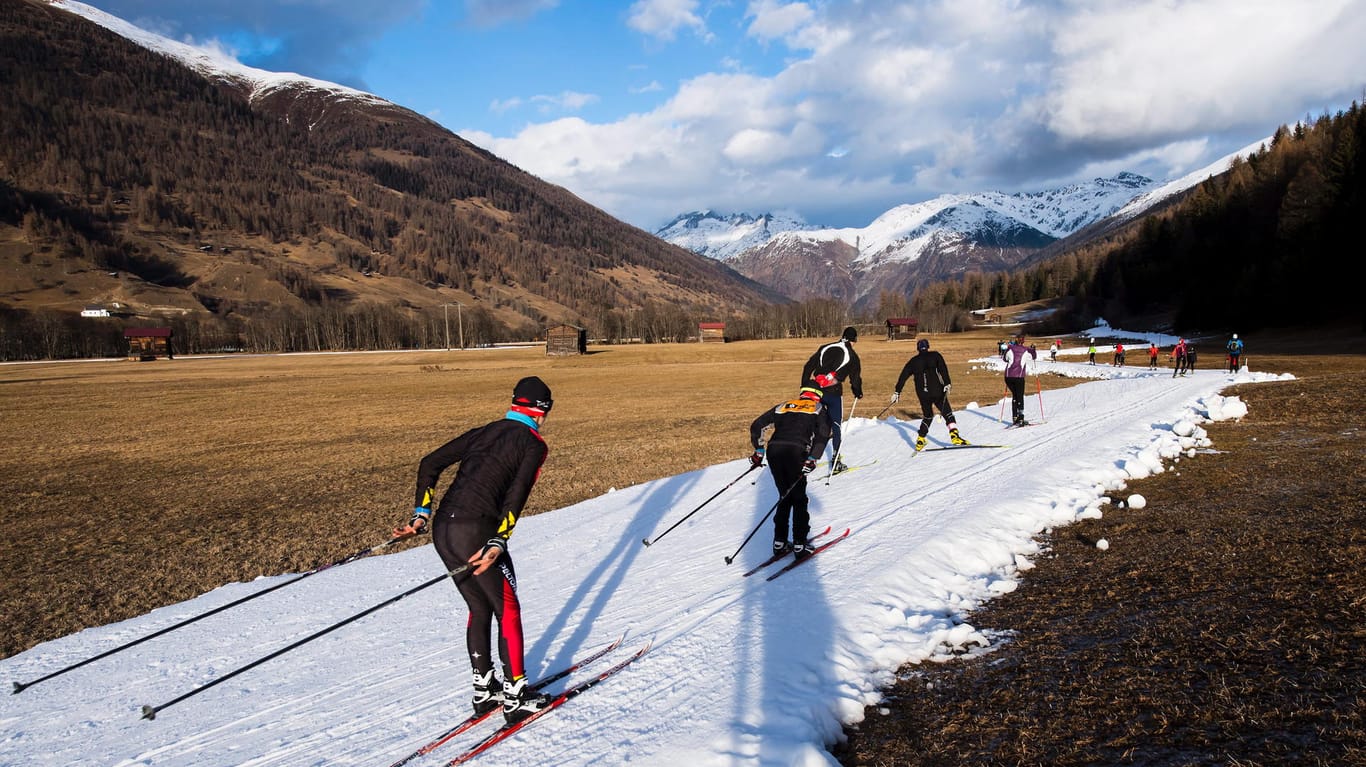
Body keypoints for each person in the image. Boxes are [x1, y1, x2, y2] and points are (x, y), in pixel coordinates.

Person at [393, 376, 555, 724]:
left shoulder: (484, 431)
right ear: (543, 411)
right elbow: (518, 493)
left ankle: (485, 690)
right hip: (477, 531)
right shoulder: (532, 443)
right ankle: (515, 695)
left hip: (443, 530)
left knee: (479, 605)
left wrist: (421, 514)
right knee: (507, 608)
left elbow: (429, 463)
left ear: (515, 403)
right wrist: (499, 539)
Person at [749, 386, 832, 558]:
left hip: (774, 451)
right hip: (797, 452)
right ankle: (800, 544)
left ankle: (779, 542)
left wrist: (759, 450)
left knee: (784, 496)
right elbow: (823, 434)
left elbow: (757, 425)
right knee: (799, 498)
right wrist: (813, 458)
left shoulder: (784, 406)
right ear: (818, 397)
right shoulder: (818, 409)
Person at [800, 326, 863, 473]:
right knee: (835, 425)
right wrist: (858, 392)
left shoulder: (825, 347)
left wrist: (804, 386)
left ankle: (809, 458)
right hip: (834, 393)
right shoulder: (853, 356)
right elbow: (855, 379)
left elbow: (808, 366)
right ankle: (836, 461)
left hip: (816, 391)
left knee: (815, 423)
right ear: (854, 340)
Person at [892, 338, 967, 451]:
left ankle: (920, 439)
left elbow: (903, 376)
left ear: (918, 348)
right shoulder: (935, 355)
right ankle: (954, 436)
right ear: (928, 347)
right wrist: (947, 383)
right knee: (947, 413)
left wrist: (897, 392)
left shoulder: (913, 361)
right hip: (937, 390)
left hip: (922, 393)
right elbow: (943, 369)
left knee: (927, 416)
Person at [1003, 332, 1037, 426]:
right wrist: (1033, 349)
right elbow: (1034, 356)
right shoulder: (1026, 350)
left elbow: (1004, 359)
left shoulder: (1010, 349)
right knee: (1020, 396)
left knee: (1015, 395)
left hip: (1008, 377)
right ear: (1023, 341)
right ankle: (1021, 418)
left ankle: (1015, 417)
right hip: (1019, 377)